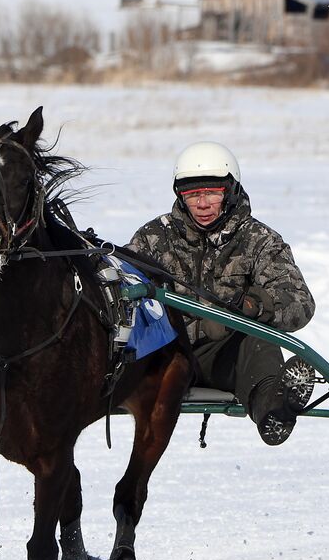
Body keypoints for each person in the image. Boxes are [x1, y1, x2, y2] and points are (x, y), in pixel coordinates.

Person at [128, 142, 316, 445]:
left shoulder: (259, 240)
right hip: (163, 355)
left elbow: (301, 302)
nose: (202, 204)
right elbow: (125, 288)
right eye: (192, 195)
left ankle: (275, 409)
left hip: (224, 358)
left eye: (212, 193)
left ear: (230, 191)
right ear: (180, 195)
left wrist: (254, 306)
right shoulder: (153, 238)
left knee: (257, 340)